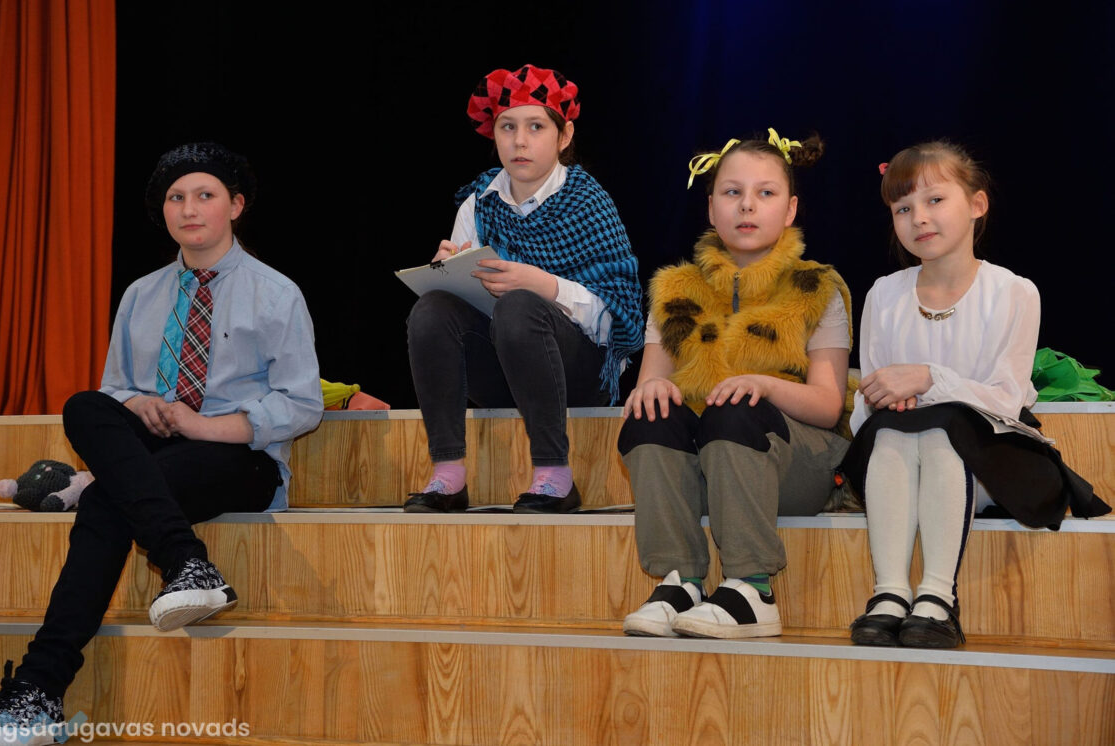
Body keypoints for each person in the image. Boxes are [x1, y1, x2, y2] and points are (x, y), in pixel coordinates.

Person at [0, 143, 323, 745]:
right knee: (85, 405)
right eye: (176, 198)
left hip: (240, 459)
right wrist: (139, 405)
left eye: (205, 195)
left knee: (107, 501)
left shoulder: (276, 292)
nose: (189, 209)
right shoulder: (141, 294)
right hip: (155, 454)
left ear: (235, 206)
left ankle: (37, 689)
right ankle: (184, 561)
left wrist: (202, 425)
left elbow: (301, 404)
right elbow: (115, 388)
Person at [843, 141, 1109, 649]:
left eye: (935, 200)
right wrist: (886, 400)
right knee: (896, 432)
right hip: (900, 460)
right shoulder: (883, 294)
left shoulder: (1013, 291)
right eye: (903, 208)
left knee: (943, 432)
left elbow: (1005, 401)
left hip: (994, 458)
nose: (919, 218)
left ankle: (938, 596)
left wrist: (928, 379)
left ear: (977, 204)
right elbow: (869, 401)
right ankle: (890, 593)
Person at [619, 130, 853, 639]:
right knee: (650, 413)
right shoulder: (674, 290)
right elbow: (649, 382)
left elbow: (827, 405)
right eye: (732, 192)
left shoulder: (817, 287)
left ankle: (753, 589)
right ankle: (681, 582)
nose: (747, 205)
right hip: (707, 469)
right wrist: (650, 389)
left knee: (735, 409)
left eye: (765, 193)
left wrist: (765, 385)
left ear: (790, 209)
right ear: (711, 207)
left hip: (792, 464)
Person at [404, 64, 643, 514]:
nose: (519, 141)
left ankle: (555, 476)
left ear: (564, 136)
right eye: (507, 127)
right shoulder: (479, 201)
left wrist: (542, 284)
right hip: (504, 368)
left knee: (519, 305)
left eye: (536, 127)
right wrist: (448, 273)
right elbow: (462, 307)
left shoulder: (588, 201)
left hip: (578, 373)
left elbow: (621, 321)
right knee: (432, 308)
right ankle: (448, 475)